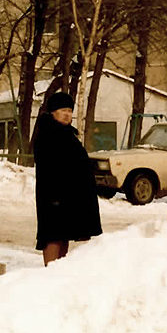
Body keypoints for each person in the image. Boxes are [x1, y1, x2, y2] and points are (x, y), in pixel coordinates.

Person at [33, 92, 102, 265]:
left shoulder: (66, 133)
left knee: (63, 234)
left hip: (67, 195)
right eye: (63, 110)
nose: (67, 114)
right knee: (53, 235)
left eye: (70, 111)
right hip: (54, 194)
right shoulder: (49, 133)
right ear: (53, 112)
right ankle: (50, 273)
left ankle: (59, 272)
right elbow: (53, 165)